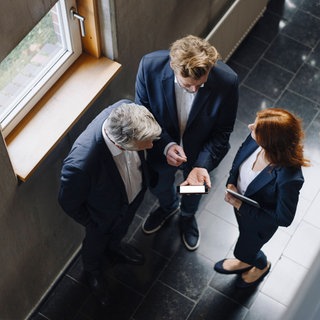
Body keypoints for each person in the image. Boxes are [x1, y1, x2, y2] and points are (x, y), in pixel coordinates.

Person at [135, 35, 239, 250]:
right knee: (160, 185)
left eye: (201, 85)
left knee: (194, 191)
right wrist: (165, 145)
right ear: (174, 67)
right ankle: (168, 206)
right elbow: (142, 114)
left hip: (200, 153)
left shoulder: (227, 81)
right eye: (188, 85)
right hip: (160, 148)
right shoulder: (149, 66)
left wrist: (201, 165)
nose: (194, 91)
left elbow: (222, 132)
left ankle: (187, 215)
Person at [58, 100, 161, 306]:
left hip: (131, 198)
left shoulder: (126, 109)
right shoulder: (82, 164)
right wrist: (93, 222)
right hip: (101, 217)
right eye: (146, 143)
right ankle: (92, 271)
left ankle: (115, 247)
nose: (151, 146)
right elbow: (68, 202)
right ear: (120, 144)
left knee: (120, 230)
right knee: (95, 244)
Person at [214, 108, 310, 288]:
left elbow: (284, 218)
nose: (250, 127)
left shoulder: (289, 178)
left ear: (270, 143)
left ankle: (260, 264)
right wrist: (231, 181)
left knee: (243, 250)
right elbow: (241, 155)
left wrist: (240, 205)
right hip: (241, 204)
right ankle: (247, 258)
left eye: (256, 128)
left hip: (259, 223)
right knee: (243, 236)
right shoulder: (255, 140)